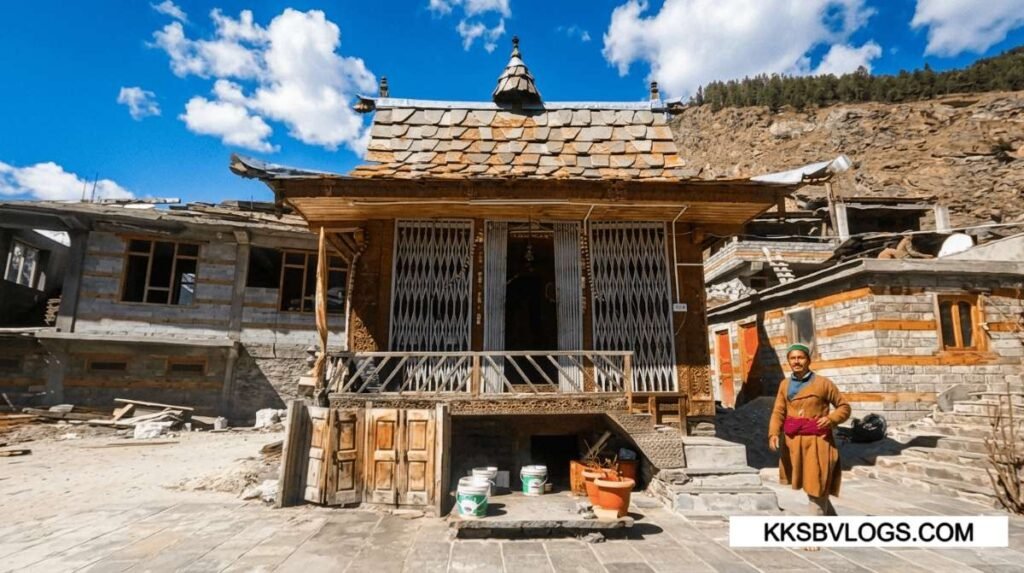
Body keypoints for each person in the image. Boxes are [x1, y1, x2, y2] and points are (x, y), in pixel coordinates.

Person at [768, 344, 850, 516]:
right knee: (812, 485)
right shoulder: (784, 384)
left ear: (808, 360)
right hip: (794, 442)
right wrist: (774, 433)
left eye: (800, 357)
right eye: (792, 358)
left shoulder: (823, 384)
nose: (796, 362)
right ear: (788, 361)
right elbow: (778, 411)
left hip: (818, 442)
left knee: (816, 484)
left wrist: (831, 419)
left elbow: (844, 407)